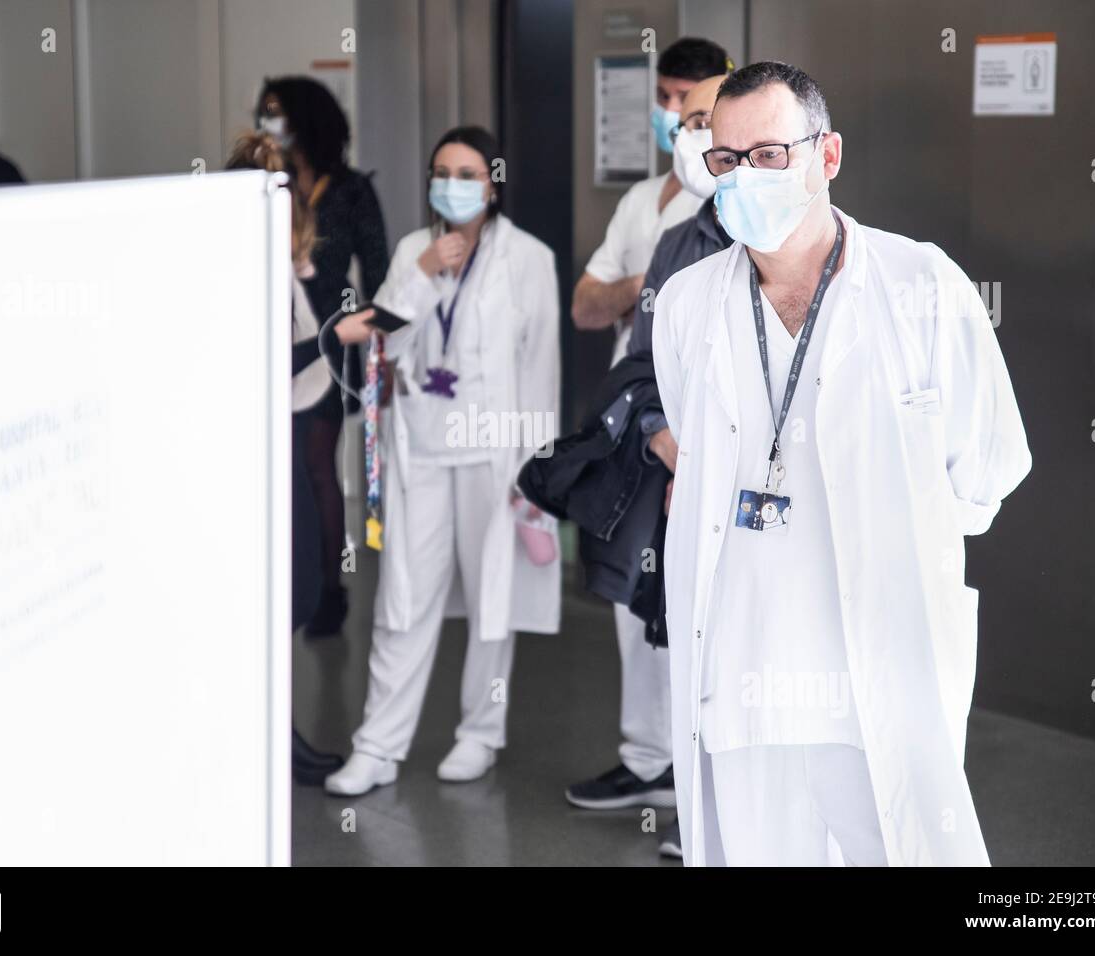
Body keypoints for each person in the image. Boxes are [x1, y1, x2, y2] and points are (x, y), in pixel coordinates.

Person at [652, 61, 1031, 865]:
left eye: (769, 154)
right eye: (726, 159)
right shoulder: (687, 304)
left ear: (826, 157)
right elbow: (700, 444)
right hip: (741, 674)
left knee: (905, 849)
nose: (744, 176)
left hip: (873, 678)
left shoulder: (922, 283)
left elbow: (984, 476)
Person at [325, 126, 561, 796]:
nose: (452, 185)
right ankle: (377, 746)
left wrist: (536, 476)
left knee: (492, 600)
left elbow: (540, 366)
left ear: (493, 183)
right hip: (422, 449)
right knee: (403, 596)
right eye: (441, 172)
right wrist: (425, 273)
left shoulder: (529, 258)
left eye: (466, 173)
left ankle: (480, 733)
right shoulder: (411, 251)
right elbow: (386, 348)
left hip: (494, 455)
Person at [565, 37, 732, 823]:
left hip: (719, 438)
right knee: (638, 601)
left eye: (695, 108)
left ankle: (705, 790)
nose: (677, 120)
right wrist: (653, 281)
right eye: (668, 103)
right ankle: (647, 763)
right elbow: (587, 306)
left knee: (712, 613)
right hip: (645, 426)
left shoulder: (748, 206)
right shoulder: (647, 210)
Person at [225, 132, 376, 785]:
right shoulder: (233, 266)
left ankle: (268, 729)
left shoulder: (293, 260)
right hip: (255, 439)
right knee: (283, 593)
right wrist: (332, 335)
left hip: (298, 418)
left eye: (285, 188)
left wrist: (310, 274)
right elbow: (258, 365)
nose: (283, 201)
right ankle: (262, 733)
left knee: (305, 584)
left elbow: (316, 320)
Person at [255, 76, 390, 636]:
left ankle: (328, 589)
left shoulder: (351, 190)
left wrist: (379, 343)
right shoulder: (260, 182)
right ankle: (276, 585)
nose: (267, 121)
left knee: (316, 466)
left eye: (276, 112)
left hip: (330, 346)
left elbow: (379, 272)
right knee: (273, 471)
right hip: (266, 343)